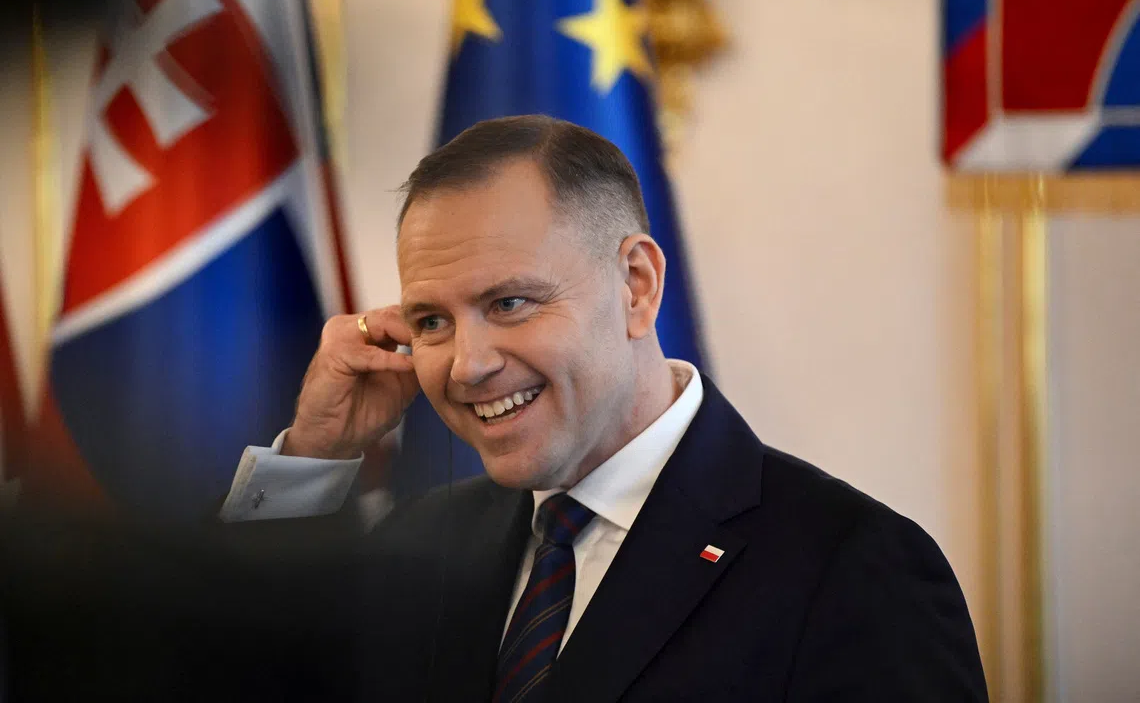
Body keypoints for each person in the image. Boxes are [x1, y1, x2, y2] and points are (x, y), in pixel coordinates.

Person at [221, 115, 988, 701]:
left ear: (638, 285)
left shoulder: (852, 565)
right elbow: (238, 678)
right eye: (431, 321)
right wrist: (314, 453)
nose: (467, 364)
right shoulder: (422, 544)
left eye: (511, 302)